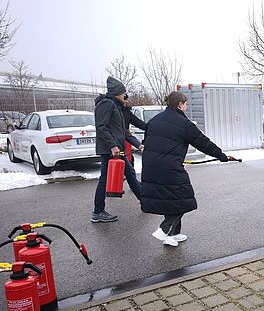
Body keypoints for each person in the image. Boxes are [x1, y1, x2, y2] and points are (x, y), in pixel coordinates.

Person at [141, 90, 230, 246]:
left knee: (171, 199)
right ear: (180, 105)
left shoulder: (154, 120)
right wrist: (221, 155)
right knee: (184, 199)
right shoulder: (184, 124)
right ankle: (164, 229)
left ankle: (173, 234)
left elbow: (147, 141)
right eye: (186, 104)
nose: (186, 107)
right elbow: (203, 142)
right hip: (169, 168)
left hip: (150, 166)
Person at [92, 76, 142, 223]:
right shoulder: (106, 104)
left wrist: (138, 144)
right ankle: (98, 212)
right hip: (110, 150)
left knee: (130, 174)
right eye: (123, 92)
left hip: (116, 149)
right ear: (117, 93)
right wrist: (112, 146)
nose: (125, 95)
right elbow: (101, 126)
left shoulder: (116, 106)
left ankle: (144, 201)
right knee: (105, 179)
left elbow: (123, 131)